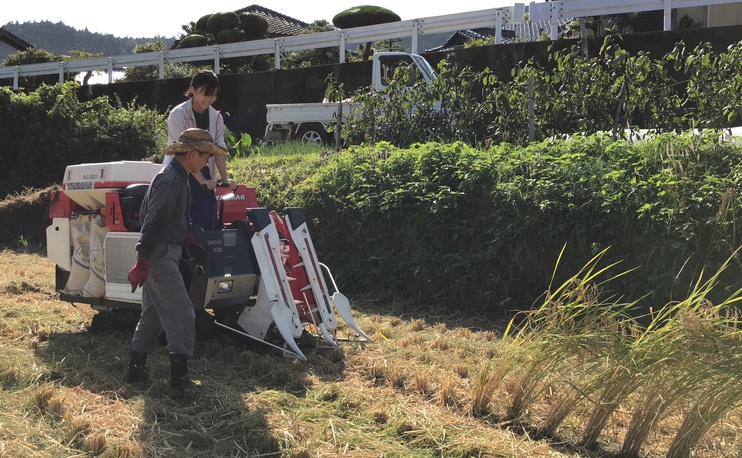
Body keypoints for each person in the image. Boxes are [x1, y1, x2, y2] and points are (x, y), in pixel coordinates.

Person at [126, 128, 228, 401]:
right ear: (193, 154)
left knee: (153, 316)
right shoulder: (171, 181)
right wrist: (142, 261)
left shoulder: (180, 178)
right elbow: (154, 222)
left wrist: (191, 240)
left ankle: (135, 373)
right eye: (206, 156)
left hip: (165, 252)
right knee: (183, 315)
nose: (207, 163)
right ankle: (178, 386)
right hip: (159, 256)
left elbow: (174, 219)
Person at [162, 70, 237, 231]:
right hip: (179, 174)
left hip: (205, 176)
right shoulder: (178, 114)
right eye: (205, 94)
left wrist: (225, 180)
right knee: (181, 222)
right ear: (193, 90)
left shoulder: (216, 117)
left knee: (206, 223)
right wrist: (201, 180)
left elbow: (219, 151)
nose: (209, 99)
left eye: (214, 95)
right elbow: (181, 152)